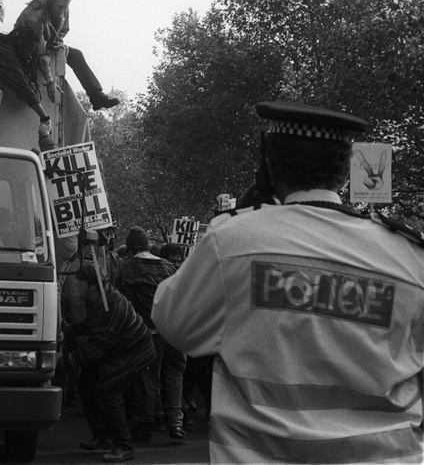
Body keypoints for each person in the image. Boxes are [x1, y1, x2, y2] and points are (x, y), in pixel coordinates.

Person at [152, 101, 424, 464]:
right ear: (344, 171)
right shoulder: (409, 256)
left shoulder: (231, 242)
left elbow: (175, 325)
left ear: (268, 166)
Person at [58, 265, 156, 463]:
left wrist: (62, 362)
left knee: (106, 392)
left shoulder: (110, 308)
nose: (77, 287)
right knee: (86, 382)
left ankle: (123, 446)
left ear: (93, 286)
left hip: (135, 353)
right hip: (121, 349)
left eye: (81, 283)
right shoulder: (101, 299)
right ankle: (102, 435)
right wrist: (69, 330)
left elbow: (94, 351)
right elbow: (91, 325)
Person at [115, 227, 187, 442]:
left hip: (148, 334)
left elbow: (125, 307)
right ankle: (176, 423)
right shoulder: (168, 267)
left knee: (148, 381)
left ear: (128, 250)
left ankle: (144, 425)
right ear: (148, 246)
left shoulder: (126, 270)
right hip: (174, 332)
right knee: (174, 378)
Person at [14, 0, 120, 111]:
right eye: (59, 7)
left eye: (65, 8)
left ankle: (97, 97)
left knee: (76, 55)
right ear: (52, 1)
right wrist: (49, 81)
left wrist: (57, 42)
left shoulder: (63, 7)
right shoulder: (36, 15)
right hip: (25, 44)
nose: (62, 11)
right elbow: (40, 50)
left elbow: (64, 29)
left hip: (47, 41)